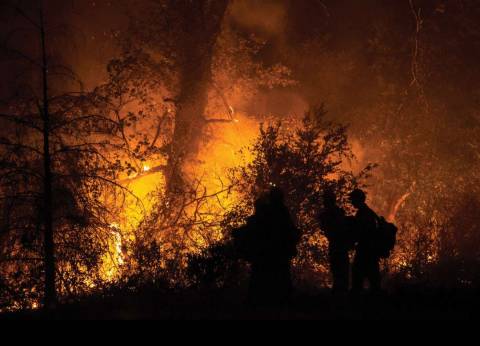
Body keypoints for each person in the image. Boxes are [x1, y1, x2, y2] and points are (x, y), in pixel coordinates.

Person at [234, 187, 300, 306]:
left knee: (262, 278)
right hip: (275, 253)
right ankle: (279, 302)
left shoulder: (270, 212)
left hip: (268, 253)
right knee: (278, 278)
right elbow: (288, 230)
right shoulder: (280, 212)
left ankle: (262, 302)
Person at [318, 189, 352, 294]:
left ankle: (339, 295)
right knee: (341, 272)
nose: (323, 202)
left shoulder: (326, 215)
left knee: (338, 272)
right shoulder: (339, 212)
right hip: (341, 246)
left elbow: (327, 228)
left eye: (325, 200)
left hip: (337, 246)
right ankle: (342, 295)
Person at [349, 189, 382, 294]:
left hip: (365, 251)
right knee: (374, 281)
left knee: (358, 281)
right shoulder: (368, 212)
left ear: (358, 199)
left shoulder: (363, 213)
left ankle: (361, 306)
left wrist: (351, 242)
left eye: (353, 199)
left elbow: (361, 232)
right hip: (370, 251)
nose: (351, 202)